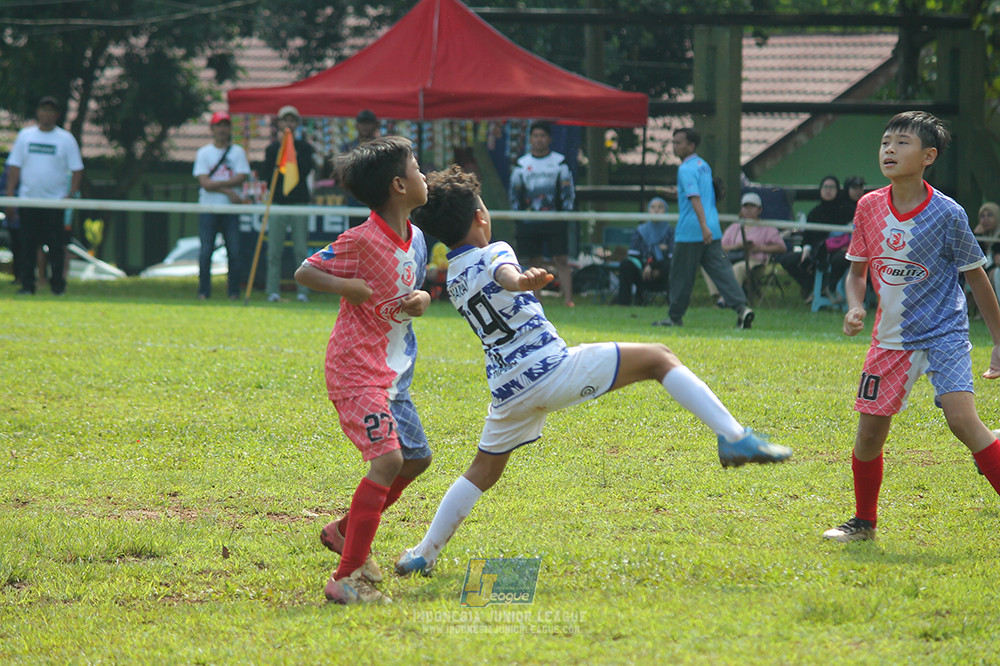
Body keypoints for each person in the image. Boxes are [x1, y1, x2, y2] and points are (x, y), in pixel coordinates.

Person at [395, 165, 791, 576]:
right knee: (659, 357)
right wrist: (521, 279)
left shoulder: (454, 275)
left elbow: (495, 281)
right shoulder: (497, 250)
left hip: (507, 390)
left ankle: (425, 550)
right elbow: (504, 275)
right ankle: (734, 437)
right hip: (550, 370)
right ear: (481, 216)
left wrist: (516, 281)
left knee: (483, 470)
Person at [822, 111, 1000, 543]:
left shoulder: (947, 213)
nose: (889, 150)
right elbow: (856, 273)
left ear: (928, 156)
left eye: (902, 143)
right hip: (889, 340)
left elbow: (976, 277)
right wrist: (853, 306)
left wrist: (999, 341)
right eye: (885, 142)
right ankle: (863, 523)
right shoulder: (868, 206)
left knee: (961, 421)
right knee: (868, 437)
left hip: (944, 333)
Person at [293, 136, 433, 604]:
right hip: (356, 371)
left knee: (416, 459)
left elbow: (418, 287)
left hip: (395, 376)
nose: (423, 174)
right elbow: (306, 272)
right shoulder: (361, 239)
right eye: (417, 167)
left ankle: (344, 531)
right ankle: (345, 576)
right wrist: (346, 285)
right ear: (399, 184)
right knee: (388, 461)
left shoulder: (417, 238)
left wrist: (424, 299)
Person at [654, 128, 754, 329]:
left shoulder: (685, 169)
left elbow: (695, 197)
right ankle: (742, 309)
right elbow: (703, 194)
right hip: (713, 227)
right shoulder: (703, 166)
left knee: (680, 276)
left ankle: (674, 318)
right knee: (722, 273)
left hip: (692, 230)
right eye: (673, 142)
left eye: (678, 142)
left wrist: (702, 227)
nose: (674, 146)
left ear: (691, 145)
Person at [5, 96, 83, 296]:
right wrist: (10, 195)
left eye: (51, 111)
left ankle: (57, 286)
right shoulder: (25, 136)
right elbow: (14, 167)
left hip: (54, 203)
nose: (46, 114)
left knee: (56, 247)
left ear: (56, 115)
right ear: (37, 112)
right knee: (27, 246)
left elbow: (77, 169)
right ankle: (28, 286)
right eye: (43, 110)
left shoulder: (65, 139)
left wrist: (70, 195)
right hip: (28, 201)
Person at [509, 120, 577, 307]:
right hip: (529, 221)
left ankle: (568, 300)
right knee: (534, 261)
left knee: (561, 259)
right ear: (530, 139)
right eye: (536, 136)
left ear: (549, 139)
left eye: (543, 136)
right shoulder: (521, 165)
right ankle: (535, 299)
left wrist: (565, 216)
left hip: (555, 220)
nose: (539, 140)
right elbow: (515, 194)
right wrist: (520, 217)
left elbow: (567, 192)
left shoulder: (559, 163)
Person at [192, 111, 250, 300]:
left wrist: (218, 186)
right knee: (205, 252)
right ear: (212, 129)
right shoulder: (203, 153)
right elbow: (205, 183)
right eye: (219, 125)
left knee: (234, 252)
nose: (222, 129)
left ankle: (233, 292)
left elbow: (242, 176)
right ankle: (203, 292)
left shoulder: (238, 152)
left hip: (231, 211)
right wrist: (228, 191)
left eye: (225, 125)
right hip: (208, 209)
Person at [262, 105, 316, 303]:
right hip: (277, 204)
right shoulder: (272, 149)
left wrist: (291, 151)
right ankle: (272, 290)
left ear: (297, 124)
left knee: (301, 250)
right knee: (274, 250)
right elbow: (268, 177)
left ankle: (303, 291)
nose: (289, 124)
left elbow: (304, 171)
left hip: (299, 203)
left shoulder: (305, 148)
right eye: (285, 120)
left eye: (292, 120)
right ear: (279, 123)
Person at [778, 175, 851, 303]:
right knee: (787, 259)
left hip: (838, 249)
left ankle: (829, 287)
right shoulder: (815, 212)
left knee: (838, 259)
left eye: (832, 187)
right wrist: (806, 248)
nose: (828, 190)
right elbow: (808, 236)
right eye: (825, 187)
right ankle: (811, 285)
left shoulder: (847, 210)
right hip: (816, 250)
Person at [704, 192, 786, 296]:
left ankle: (730, 299)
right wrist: (737, 246)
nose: (748, 210)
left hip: (756, 263)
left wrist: (760, 248)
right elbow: (720, 246)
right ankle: (718, 296)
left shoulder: (767, 228)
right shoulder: (734, 227)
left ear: (759, 210)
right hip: (733, 258)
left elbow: (781, 247)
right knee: (708, 264)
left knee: (737, 268)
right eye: (745, 206)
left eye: (752, 206)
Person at [616, 197, 673, 305]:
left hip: (663, 272)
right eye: (653, 207)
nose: (656, 210)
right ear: (648, 210)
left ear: (665, 211)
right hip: (642, 273)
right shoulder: (640, 231)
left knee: (671, 266)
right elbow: (634, 255)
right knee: (626, 265)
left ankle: (672, 306)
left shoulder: (670, 232)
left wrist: (654, 267)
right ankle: (623, 305)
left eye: (660, 207)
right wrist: (645, 267)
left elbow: (672, 257)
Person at [339, 110, 380, 228]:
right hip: (355, 201)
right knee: (357, 240)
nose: (365, 126)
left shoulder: (382, 147)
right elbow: (344, 174)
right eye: (363, 123)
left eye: (368, 123)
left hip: (377, 202)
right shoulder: (348, 148)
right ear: (356, 125)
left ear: (375, 125)